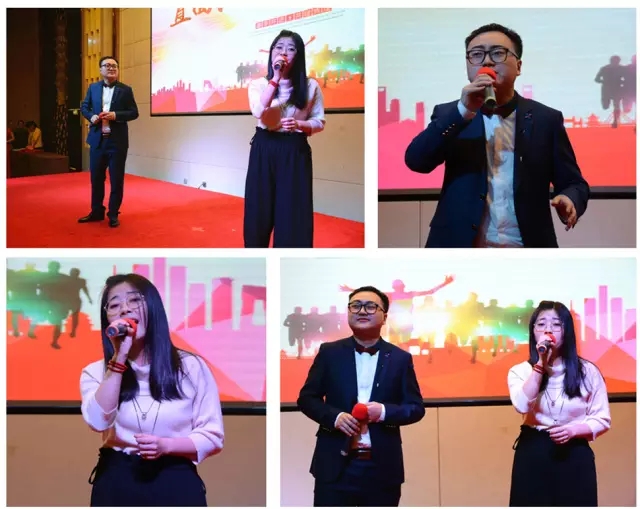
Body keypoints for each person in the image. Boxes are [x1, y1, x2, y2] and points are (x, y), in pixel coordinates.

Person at [405, 24, 590, 248]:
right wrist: (463, 111)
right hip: (459, 246)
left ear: (518, 66)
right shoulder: (450, 115)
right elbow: (416, 161)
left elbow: (573, 183)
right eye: (476, 54)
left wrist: (570, 199)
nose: (487, 61)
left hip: (527, 246)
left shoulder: (545, 119)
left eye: (497, 53)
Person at [80, 273, 224, 506]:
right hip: (117, 481)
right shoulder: (96, 372)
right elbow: (98, 422)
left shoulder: (190, 367)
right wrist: (119, 359)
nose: (125, 309)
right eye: (114, 305)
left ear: (154, 307)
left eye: (134, 300)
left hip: (175, 479)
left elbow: (212, 436)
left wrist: (166, 446)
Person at [297, 286, 425, 507]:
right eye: (355, 306)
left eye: (370, 306)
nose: (362, 311)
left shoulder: (400, 358)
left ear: (385, 316)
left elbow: (415, 408)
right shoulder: (329, 352)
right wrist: (335, 418)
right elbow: (307, 399)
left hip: (382, 467)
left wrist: (383, 412)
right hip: (334, 466)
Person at [507, 301, 611, 506]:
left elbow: (602, 419)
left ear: (567, 331)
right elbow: (522, 406)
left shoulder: (587, 371)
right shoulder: (520, 371)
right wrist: (540, 364)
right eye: (541, 324)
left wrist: (573, 430)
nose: (548, 329)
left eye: (556, 324)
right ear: (533, 331)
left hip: (574, 452)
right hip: (533, 451)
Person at [245, 29, 325, 248]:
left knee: (292, 214)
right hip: (264, 147)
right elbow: (258, 111)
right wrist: (275, 79)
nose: (283, 53)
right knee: (258, 210)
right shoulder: (258, 84)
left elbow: (319, 122)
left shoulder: (310, 86)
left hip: (294, 150)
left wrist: (300, 125)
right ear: (271, 53)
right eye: (278, 48)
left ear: (298, 56)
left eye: (290, 49)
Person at [79, 56, 139, 228]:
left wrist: (116, 115)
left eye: (114, 66)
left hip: (117, 142)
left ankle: (113, 213)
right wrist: (92, 116)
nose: (111, 68)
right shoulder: (93, 88)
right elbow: (84, 107)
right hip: (97, 140)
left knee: (116, 179)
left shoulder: (125, 90)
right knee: (96, 178)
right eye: (107, 65)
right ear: (100, 70)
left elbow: (134, 112)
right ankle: (96, 211)